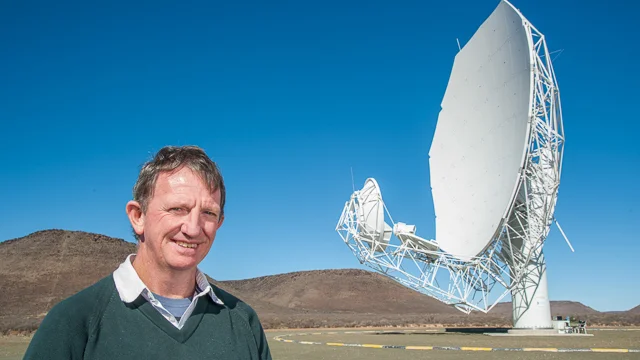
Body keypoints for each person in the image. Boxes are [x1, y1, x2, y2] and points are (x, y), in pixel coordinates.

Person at [23, 145, 272, 360]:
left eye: (208, 213)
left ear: (219, 223)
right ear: (138, 217)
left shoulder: (243, 321)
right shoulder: (74, 322)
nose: (193, 228)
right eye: (177, 208)